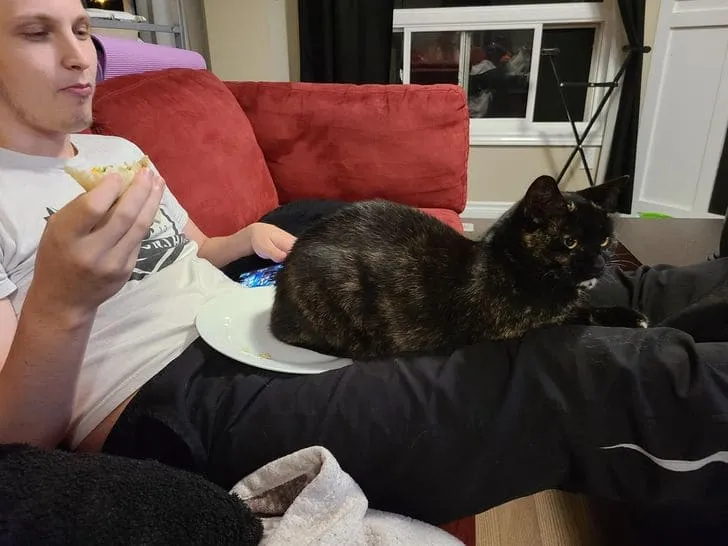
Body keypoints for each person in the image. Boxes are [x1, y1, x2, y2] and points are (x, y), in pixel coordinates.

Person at [1, 0, 728, 529]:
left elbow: (191, 251)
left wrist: (242, 236)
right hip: (163, 403)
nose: (80, 55)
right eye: (37, 32)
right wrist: (64, 303)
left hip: (240, 320)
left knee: (590, 286)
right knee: (573, 370)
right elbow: (16, 450)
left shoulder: (116, 151)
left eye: (83, 29)